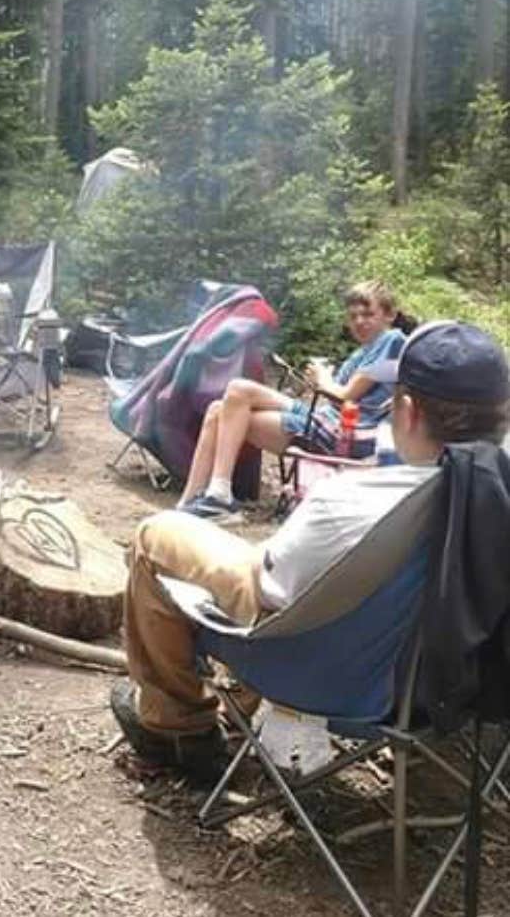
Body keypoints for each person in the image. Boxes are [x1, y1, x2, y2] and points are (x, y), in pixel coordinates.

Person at [110, 320, 510, 784]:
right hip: (453, 689)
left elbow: (270, 593)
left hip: (333, 684)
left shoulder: (348, 502)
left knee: (157, 535)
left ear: (406, 411)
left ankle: (177, 729)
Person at [180, 280, 406, 519]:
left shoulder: (392, 341)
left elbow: (345, 395)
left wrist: (323, 376)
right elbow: (333, 398)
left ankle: (219, 495)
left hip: (346, 434)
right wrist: (318, 381)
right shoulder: (362, 351)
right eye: (353, 316)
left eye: (368, 314)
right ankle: (191, 500)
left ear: (389, 315)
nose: (360, 321)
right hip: (324, 418)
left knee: (234, 396)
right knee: (221, 406)